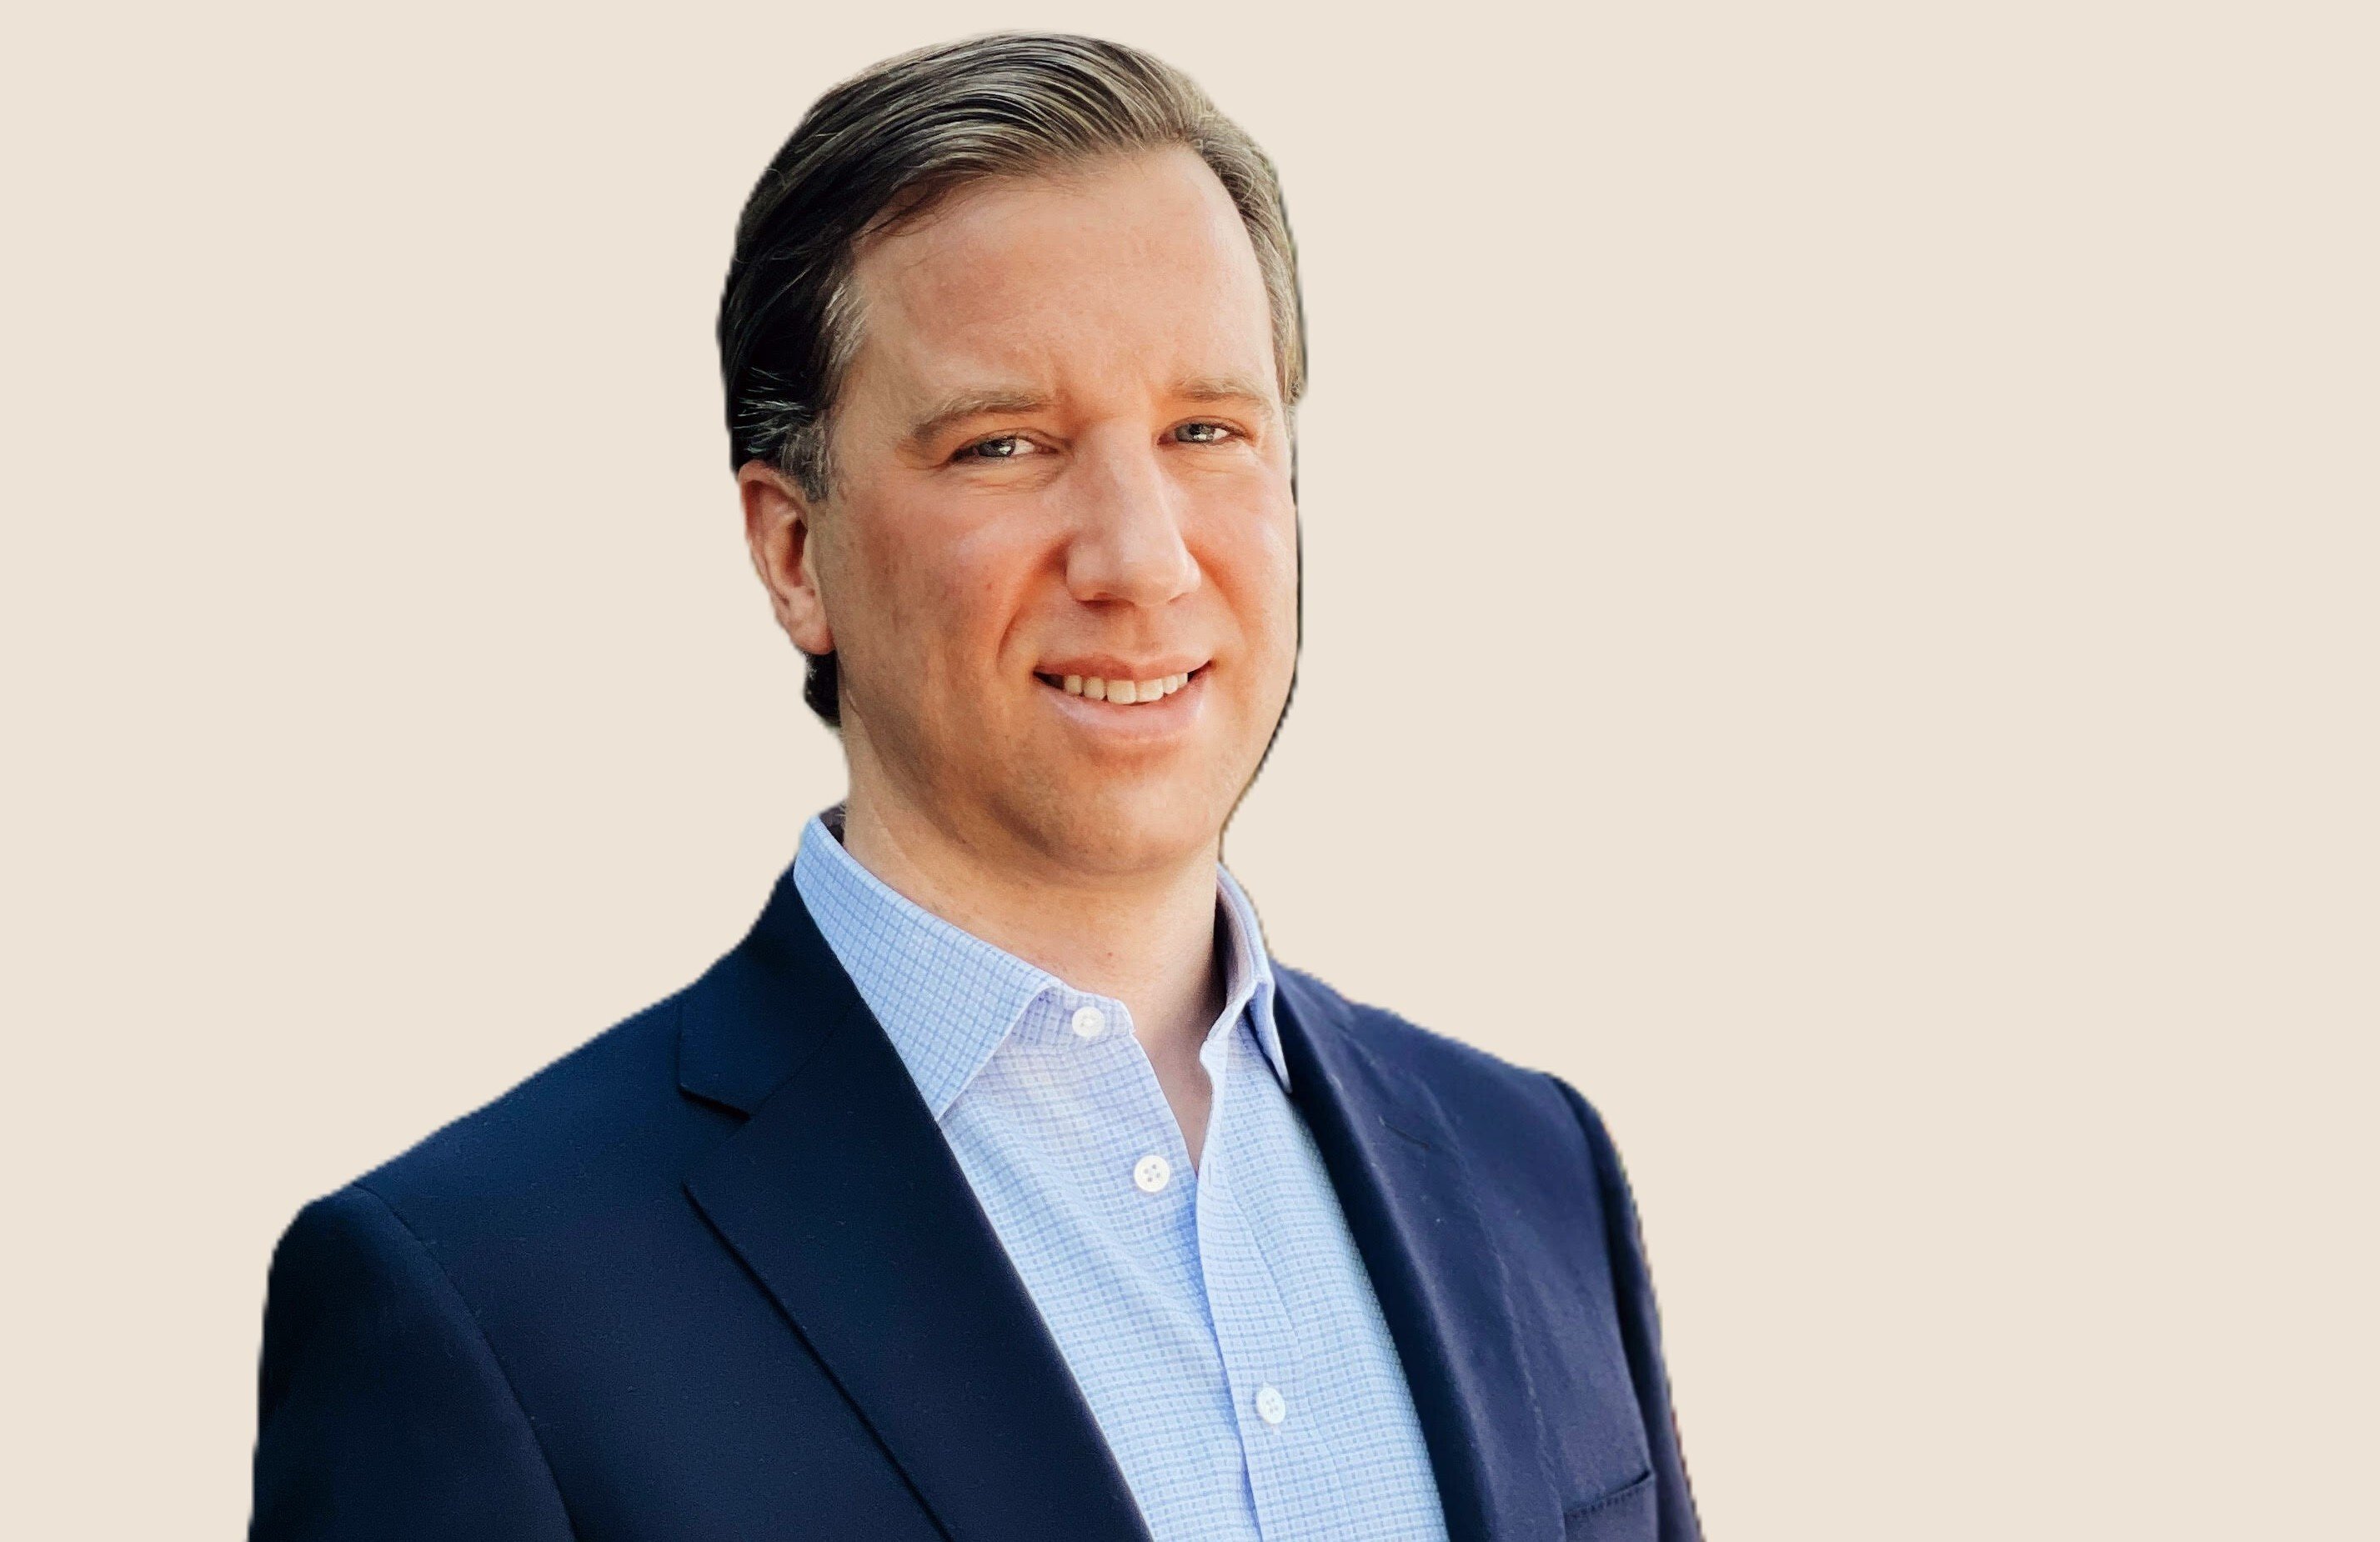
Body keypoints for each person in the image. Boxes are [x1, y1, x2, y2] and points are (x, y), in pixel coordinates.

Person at [250, 32, 1698, 1542]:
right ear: (793, 553)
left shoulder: (1538, 1174)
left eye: (1207, 430)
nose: (1140, 556)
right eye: (1005, 445)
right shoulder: (482, 1295)